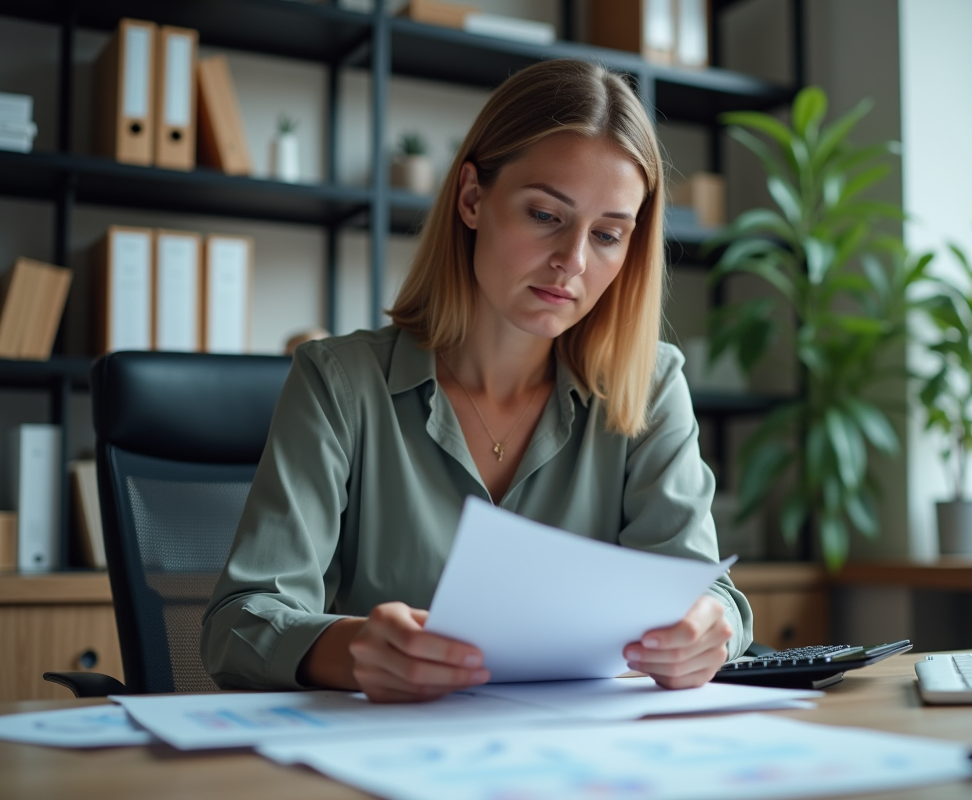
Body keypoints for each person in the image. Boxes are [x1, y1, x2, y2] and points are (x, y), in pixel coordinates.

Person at [201, 58, 753, 703]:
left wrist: (710, 628)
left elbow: (704, 593)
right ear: (471, 198)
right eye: (545, 215)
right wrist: (351, 649)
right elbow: (237, 624)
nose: (573, 261)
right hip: (388, 742)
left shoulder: (650, 386)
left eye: (607, 234)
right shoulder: (338, 384)